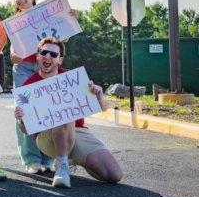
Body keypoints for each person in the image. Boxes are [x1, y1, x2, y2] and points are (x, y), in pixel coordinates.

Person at [14, 37, 123, 188]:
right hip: (47, 136)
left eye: (53, 55)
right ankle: (62, 166)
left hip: (77, 131)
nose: (47, 57)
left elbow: (104, 108)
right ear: (38, 55)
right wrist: (20, 119)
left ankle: (75, 159)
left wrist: (99, 95)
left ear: (60, 60)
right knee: (64, 114)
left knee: (114, 175)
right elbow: (25, 129)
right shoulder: (29, 86)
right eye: (44, 52)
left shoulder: (72, 79)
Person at [10, 0, 54, 174]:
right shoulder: (13, 21)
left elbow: (62, 38)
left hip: (45, 65)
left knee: (47, 109)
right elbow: (13, 47)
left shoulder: (45, 16)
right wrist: (13, 55)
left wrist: (70, 18)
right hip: (23, 69)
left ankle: (47, 157)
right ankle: (31, 159)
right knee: (26, 110)